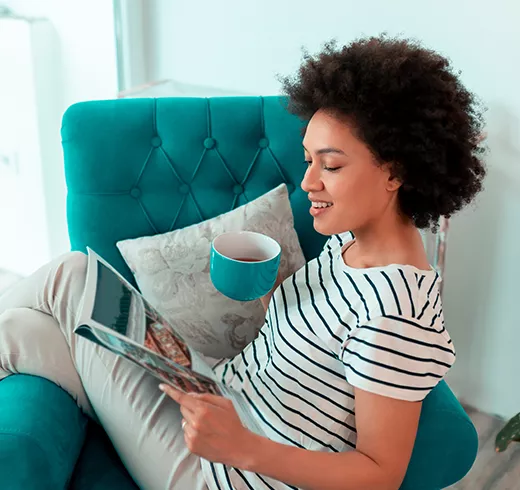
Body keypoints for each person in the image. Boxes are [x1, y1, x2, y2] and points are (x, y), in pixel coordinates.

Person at [0, 35, 485, 490]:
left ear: (396, 172)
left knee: (70, 277)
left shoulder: (396, 311)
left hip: (223, 473)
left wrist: (243, 448)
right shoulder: (351, 245)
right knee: (25, 331)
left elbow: (379, 475)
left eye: (331, 166)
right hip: (215, 390)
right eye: (308, 160)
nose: (309, 182)